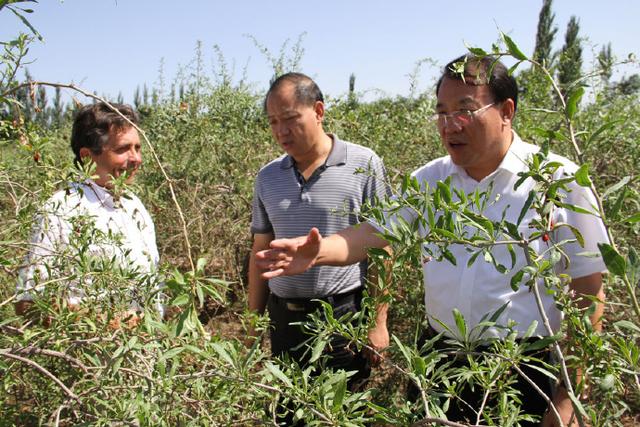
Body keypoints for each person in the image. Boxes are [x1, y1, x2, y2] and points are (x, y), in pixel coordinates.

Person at [256, 56, 608, 426]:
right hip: (440, 361)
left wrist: (569, 397)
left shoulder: (559, 181)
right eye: (441, 112)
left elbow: (588, 289)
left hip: (522, 367)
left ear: (506, 111)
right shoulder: (429, 181)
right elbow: (374, 233)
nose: (449, 124)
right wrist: (320, 251)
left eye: (465, 109)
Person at [248, 72, 390, 390]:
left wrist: (378, 322)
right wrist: (252, 322)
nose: (281, 131)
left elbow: (383, 245)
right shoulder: (267, 177)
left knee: (343, 412)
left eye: (289, 118)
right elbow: (260, 251)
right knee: (290, 410)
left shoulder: (364, 164)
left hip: (342, 317)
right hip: (284, 321)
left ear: (319, 111)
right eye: (272, 122)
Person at [15, 102, 162, 324]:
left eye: (137, 148)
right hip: (92, 356)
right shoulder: (60, 210)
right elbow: (29, 303)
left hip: (148, 354)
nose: (136, 159)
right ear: (86, 156)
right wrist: (111, 323)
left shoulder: (135, 207)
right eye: (122, 149)